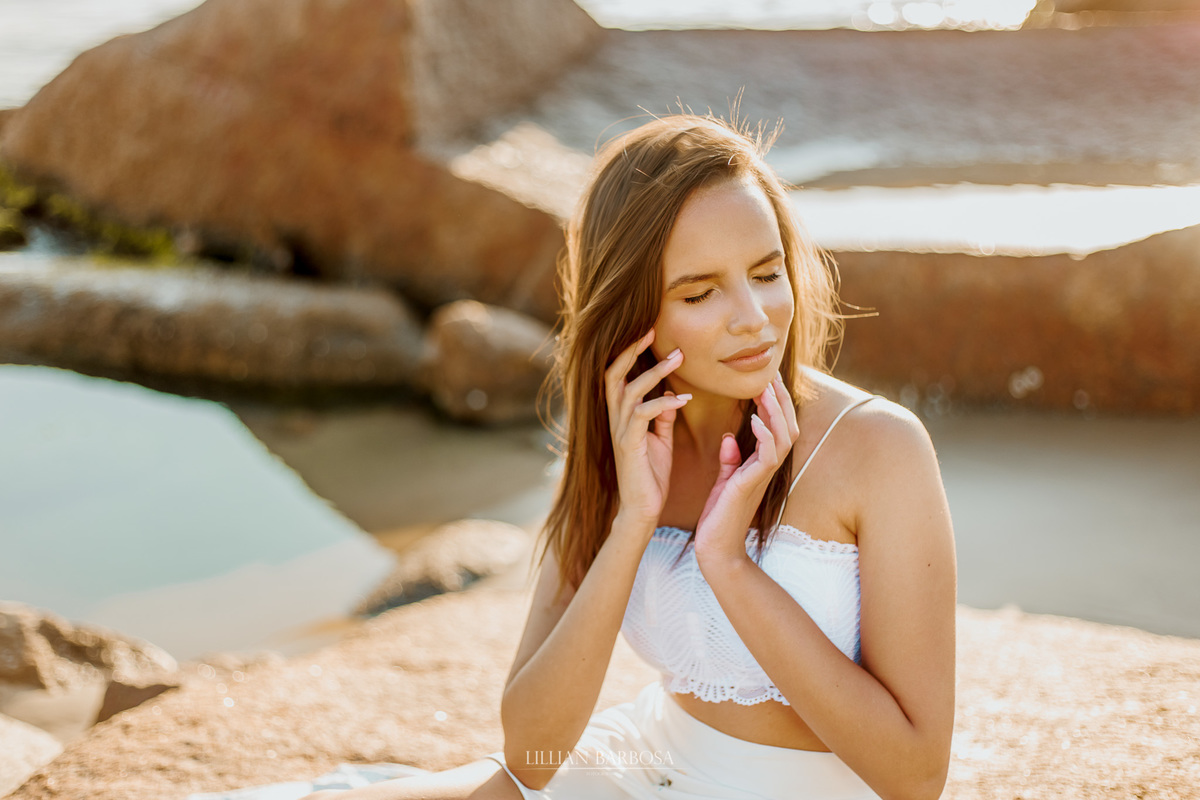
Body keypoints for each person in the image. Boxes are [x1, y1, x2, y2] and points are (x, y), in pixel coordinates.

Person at [293, 114, 957, 800]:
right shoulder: (623, 444)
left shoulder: (880, 448)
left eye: (766, 273)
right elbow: (530, 756)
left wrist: (728, 564)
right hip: (636, 766)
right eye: (700, 293)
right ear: (632, 311)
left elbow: (915, 775)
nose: (754, 317)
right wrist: (633, 516)